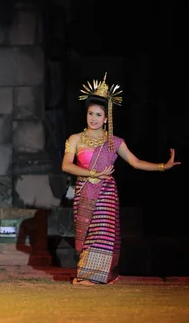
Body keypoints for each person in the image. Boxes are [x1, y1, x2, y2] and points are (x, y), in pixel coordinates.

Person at [61, 73, 180, 286]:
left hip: (106, 193)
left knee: (102, 232)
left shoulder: (113, 142)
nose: (94, 118)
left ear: (107, 118)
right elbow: (66, 166)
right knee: (88, 233)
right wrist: (91, 174)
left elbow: (135, 162)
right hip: (85, 191)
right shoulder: (75, 139)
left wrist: (163, 166)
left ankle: (92, 277)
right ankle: (90, 274)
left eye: (99, 114)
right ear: (86, 114)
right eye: (91, 113)